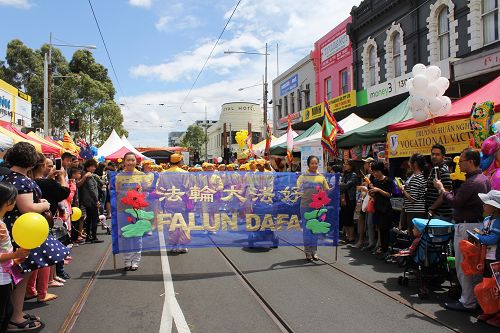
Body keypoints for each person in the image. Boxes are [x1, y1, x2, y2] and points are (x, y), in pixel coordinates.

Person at [3, 142, 68, 330]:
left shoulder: (8, 177)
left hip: (15, 231)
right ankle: (15, 316)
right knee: (21, 274)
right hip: (22, 234)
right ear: (31, 161)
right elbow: (27, 207)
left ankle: (15, 312)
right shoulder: (21, 180)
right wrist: (45, 205)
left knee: (16, 275)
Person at [434, 148, 491, 312]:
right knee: (474, 267)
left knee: (464, 266)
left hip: (467, 227)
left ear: (471, 162)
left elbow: (456, 202)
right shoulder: (483, 179)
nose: (459, 163)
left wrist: (442, 190)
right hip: (477, 226)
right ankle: (474, 299)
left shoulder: (473, 182)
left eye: (462, 161)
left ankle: (467, 301)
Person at [0, 183, 30, 333]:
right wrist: (14, 255)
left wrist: (14, 260)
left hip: (5, 274)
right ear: (7, 202)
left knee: (7, 311)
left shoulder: (1, 222)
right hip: (1, 277)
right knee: (4, 313)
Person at [116, 152, 154, 271]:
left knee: (137, 235)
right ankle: (127, 260)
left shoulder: (142, 175)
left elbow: (146, 191)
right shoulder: (118, 176)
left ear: (136, 162)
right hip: (123, 209)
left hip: (137, 211)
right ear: (124, 161)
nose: (131, 162)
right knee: (126, 234)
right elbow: (116, 192)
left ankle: (136, 260)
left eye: (133, 160)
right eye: (128, 160)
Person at [474, 190, 500, 327]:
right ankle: (489, 310)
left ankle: (497, 314)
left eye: (486, 203)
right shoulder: (486, 220)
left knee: (497, 288)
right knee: (487, 286)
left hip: (496, 260)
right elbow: (482, 232)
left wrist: (479, 237)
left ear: (495, 208)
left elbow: (493, 239)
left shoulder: (498, 222)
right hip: (486, 258)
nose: (483, 205)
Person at [297, 155, 330, 261]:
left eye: (316, 163)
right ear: (308, 164)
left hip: (318, 207)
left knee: (315, 229)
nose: (314, 165)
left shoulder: (321, 177)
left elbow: (327, 190)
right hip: (306, 206)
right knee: (307, 229)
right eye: (312, 163)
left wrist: (337, 187)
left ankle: (314, 252)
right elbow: (297, 189)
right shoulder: (303, 176)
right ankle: (307, 252)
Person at [158, 154, 190, 253]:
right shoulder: (185, 173)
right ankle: (183, 245)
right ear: (180, 161)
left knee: (172, 224)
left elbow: (160, 188)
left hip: (169, 201)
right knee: (183, 222)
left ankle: (173, 244)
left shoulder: (163, 174)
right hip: (182, 201)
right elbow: (188, 188)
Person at [368, 161, 394, 258]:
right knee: (380, 229)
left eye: (376, 171)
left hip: (386, 209)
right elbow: (374, 194)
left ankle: (386, 250)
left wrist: (378, 190)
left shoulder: (388, 180)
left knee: (385, 230)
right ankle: (382, 249)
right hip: (377, 208)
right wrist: (372, 192)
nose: (375, 174)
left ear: (381, 171)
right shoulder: (374, 181)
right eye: (373, 172)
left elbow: (389, 194)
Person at [401, 153, 427, 234]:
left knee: (415, 235)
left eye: (410, 161)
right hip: (416, 211)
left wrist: (403, 190)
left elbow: (412, 199)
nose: (408, 164)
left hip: (415, 211)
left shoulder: (416, 178)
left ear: (415, 163)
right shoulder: (419, 176)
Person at [425, 144, 453, 221]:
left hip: (440, 214)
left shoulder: (443, 171)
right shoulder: (434, 169)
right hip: (434, 213)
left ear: (443, 157)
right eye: (433, 154)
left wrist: (432, 208)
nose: (434, 156)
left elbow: (445, 193)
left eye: (437, 154)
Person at [79, 159, 102, 243]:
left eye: (94, 166)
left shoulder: (88, 175)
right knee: (94, 219)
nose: (93, 168)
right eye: (91, 166)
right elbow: (91, 190)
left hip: (88, 200)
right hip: (91, 201)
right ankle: (93, 236)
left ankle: (89, 236)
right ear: (87, 167)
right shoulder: (88, 176)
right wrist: (96, 201)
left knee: (89, 219)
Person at [339, 160, 359, 244]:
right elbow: (342, 185)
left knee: (349, 217)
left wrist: (340, 184)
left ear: (351, 166)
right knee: (344, 217)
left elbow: (347, 185)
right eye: (344, 164)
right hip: (343, 198)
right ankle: (347, 235)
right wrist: (341, 184)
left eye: (346, 164)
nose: (344, 165)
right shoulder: (345, 174)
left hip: (350, 198)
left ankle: (352, 236)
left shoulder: (353, 175)